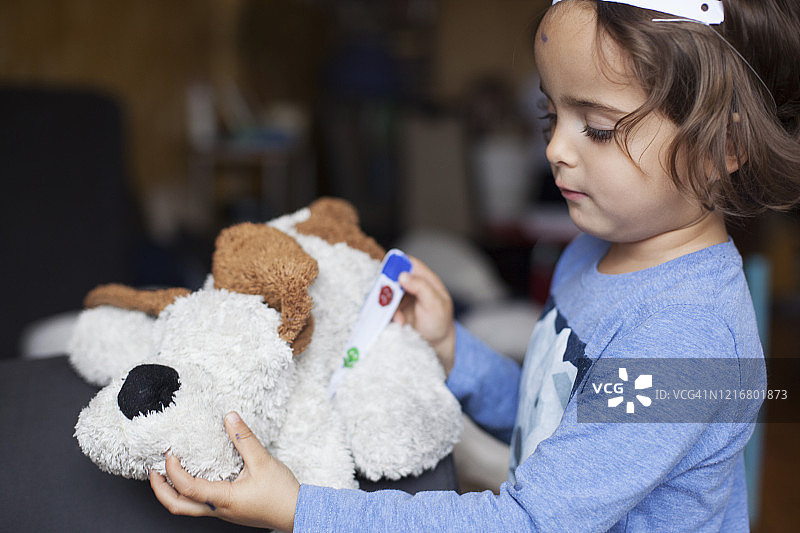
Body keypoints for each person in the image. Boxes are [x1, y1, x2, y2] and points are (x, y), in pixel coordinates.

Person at [149, 0, 800, 530]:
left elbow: (528, 522)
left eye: (596, 128)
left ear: (727, 145)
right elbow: (557, 415)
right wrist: (454, 349)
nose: (554, 148)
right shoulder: (595, 249)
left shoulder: (685, 340)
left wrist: (302, 509)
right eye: (551, 113)